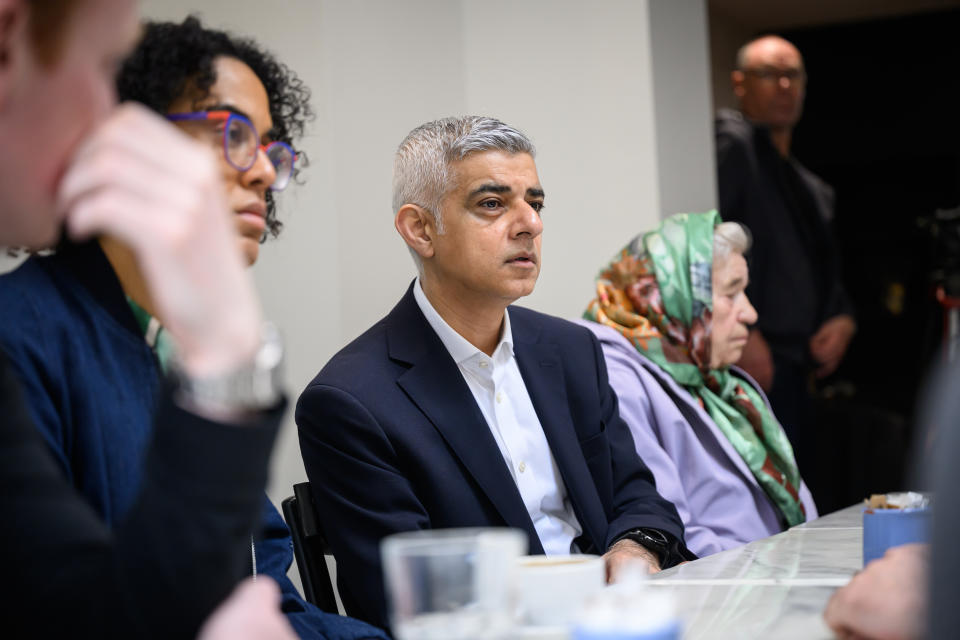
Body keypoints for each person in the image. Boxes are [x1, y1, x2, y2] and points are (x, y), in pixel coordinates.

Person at [0, 15, 386, 640]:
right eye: (233, 133)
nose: (263, 172)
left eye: (270, 148)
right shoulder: (20, 337)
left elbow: (266, 590)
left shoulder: (176, 345)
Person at [296, 116, 695, 629]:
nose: (530, 223)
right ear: (420, 229)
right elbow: (410, 600)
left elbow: (637, 494)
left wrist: (635, 549)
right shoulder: (350, 401)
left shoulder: (571, 349)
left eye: (536, 201)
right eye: (492, 204)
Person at [577, 211, 817, 557]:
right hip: (726, 593)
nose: (750, 313)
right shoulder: (613, 376)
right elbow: (669, 528)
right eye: (731, 293)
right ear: (676, 296)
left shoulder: (707, 372)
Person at [715, 35, 855, 477]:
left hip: (802, 362)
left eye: (792, 75)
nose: (783, 86)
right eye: (768, 75)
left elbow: (824, 266)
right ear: (740, 84)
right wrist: (747, 329)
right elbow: (711, 242)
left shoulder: (809, 187)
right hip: (754, 352)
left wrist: (841, 316)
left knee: (804, 484)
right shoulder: (730, 145)